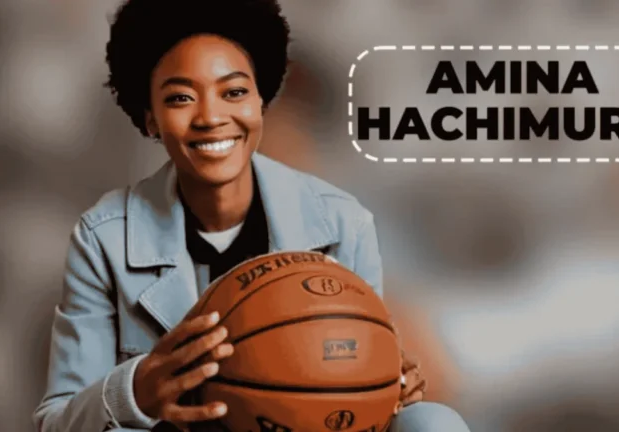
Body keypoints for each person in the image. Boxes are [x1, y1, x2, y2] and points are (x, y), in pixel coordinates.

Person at [32, 0, 471, 431]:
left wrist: (386, 381)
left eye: (234, 93)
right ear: (150, 119)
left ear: (262, 103)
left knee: (432, 421)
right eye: (182, 97)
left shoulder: (344, 221)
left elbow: (388, 372)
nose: (212, 118)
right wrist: (136, 392)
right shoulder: (103, 237)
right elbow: (56, 424)